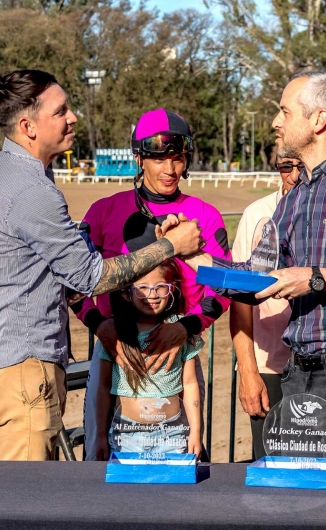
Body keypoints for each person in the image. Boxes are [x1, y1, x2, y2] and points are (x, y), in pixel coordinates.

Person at [0, 70, 202, 461]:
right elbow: (91, 276)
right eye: (61, 111)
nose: (73, 117)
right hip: (23, 367)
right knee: (30, 502)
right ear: (28, 126)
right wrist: (168, 247)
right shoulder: (31, 189)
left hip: (7, 359)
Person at [182, 70, 326, 465]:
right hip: (298, 376)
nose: (276, 121)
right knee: (298, 503)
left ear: (319, 120)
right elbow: (259, 277)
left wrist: (316, 278)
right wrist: (197, 261)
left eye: (284, 111)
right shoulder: (296, 196)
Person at [74, 108, 231, 459]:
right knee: (102, 467)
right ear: (139, 159)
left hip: (179, 360)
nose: (171, 170)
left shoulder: (205, 215)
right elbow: (73, 284)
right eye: (159, 159)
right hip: (114, 358)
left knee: (184, 468)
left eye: (178, 159)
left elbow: (222, 288)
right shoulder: (102, 212)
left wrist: (187, 328)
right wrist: (101, 327)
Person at [230, 156, 300, 459]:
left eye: (302, 166)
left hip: (323, 367)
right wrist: (248, 371)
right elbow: (238, 297)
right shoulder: (256, 214)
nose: (294, 175)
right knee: (270, 466)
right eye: (286, 166)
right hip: (268, 365)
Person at [95, 260, 203, 460]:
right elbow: (103, 387)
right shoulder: (113, 335)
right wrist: (100, 435)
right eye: (143, 288)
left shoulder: (180, 333)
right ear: (127, 293)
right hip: (125, 436)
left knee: (171, 491)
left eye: (160, 287)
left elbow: (190, 384)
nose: (152, 295)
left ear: (172, 289)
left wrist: (195, 433)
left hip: (172, 436)